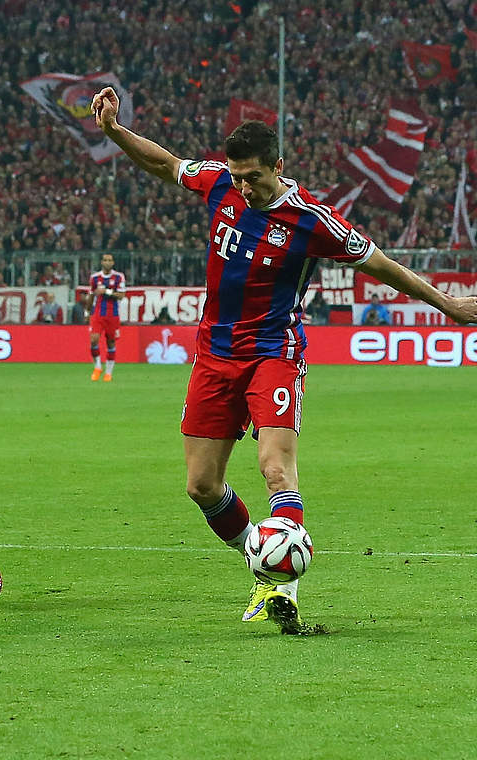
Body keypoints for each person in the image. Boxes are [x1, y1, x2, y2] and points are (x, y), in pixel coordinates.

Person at [92, 87, 477, 633]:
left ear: (279, 166)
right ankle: (266, 561)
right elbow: (168, 164)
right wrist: (115, 132)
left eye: (253, 177)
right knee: (201, 486)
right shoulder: (221, 183)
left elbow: (383, 267)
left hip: (274, 352)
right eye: (237, 176)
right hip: (213, 354)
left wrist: (447, 304)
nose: (243, 186)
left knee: (275, 467)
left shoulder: (312, 220)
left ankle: (283, 584)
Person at [87, 253, 125, 381]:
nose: (107, 262)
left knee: (111, 342)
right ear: (101, 262)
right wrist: (87, 312)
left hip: (113, 314)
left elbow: (121, 295)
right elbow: (91, 295)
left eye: (110, 260)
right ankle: (98, 367)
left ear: (113, 262)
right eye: (105, 260)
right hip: (98, 313)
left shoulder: (119, 277)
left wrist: (107, 291)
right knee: (94, 339)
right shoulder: (95, 278)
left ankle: (108, 373)